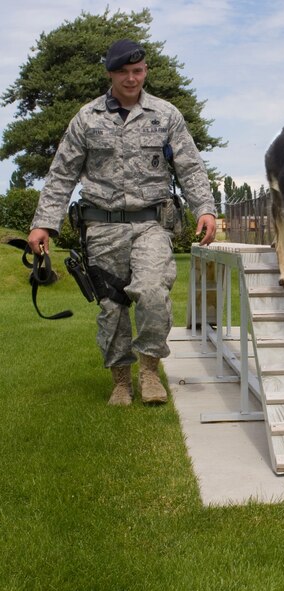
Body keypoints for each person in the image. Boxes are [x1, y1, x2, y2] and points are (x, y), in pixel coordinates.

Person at [27, 39, 216, 406]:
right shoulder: (86, 118)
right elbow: (61, 174)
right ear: (110, 73)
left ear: (145, 71)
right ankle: (120, 382)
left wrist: (204, 208)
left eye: (138, 71)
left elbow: (190, 166)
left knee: (152, 293)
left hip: (151, 224)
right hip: (102, 227)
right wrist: (43, 223)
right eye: (124, 72)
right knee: (112, 306)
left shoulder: (166, 115)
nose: (132, 79)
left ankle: (148, 371)